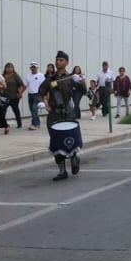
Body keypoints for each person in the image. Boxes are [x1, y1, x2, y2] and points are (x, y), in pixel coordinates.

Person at [37, 51, 84, 180]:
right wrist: (41, 101)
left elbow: (83, 91)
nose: (58, 62)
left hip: (68, 114)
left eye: (61, 60)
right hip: (54, 115)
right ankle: (62, 170)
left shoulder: (70, 78)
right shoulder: (50, 80)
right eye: (57, 60)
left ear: (67, 62)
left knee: (71, 140)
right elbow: (40, 92)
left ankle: (75, 159)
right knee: (56, 142)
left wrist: (80, 81)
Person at [2, 62, 26, 128]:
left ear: (13, 68)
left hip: (14, 97)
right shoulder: (2, 76)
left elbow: (21, 85)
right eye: (8, 67)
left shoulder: (15, 75)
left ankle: (19, 124)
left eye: (11, 67)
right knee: (2, 111)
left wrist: (20, 92)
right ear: (5, 68)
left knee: (16, 110)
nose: (9, 69)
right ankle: (3, 124)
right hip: (4, 97)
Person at [24, 61, 46, 130]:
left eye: (35, 67)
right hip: (30, 94)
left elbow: (44, 86)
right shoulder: (28, 75)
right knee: (32, 110)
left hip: (38, 95)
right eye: (32, 67)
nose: (33, 69)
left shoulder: (41, 75)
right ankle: (37, 122)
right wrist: (20, 93)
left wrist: (45, 95)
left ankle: (34, 124)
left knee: (34, 109)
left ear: (37, 68)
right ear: (30, 68)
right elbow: (25, 85)